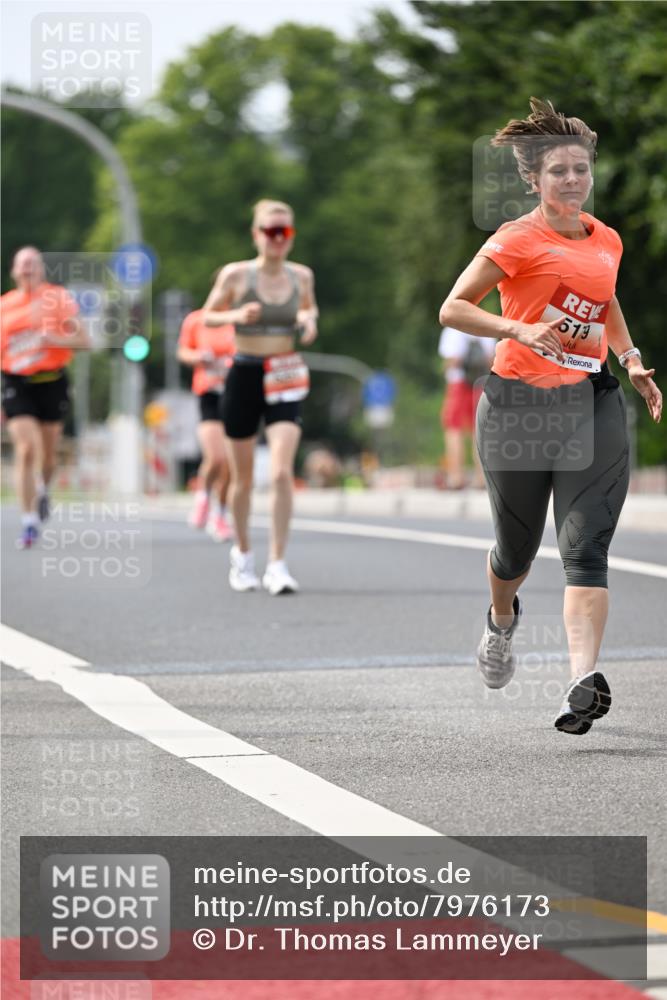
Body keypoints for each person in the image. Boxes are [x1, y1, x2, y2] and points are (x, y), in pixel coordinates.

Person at [438, 98, 662, 735]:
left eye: (581, 169)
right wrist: (518, 327)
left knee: (587, 546)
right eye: (558, 171)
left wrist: (631, 357)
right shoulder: (515, 239)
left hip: (590, 403)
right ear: (534, 180)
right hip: (516, 408)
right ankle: (501, 621)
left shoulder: (607, 239)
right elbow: (453, 309)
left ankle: (579, 683)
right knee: (515, 550)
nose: (572, 180)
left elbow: (605, 297)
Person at [202, 199, 318, 594]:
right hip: (245, 372)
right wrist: (235, 316)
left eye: (284, 231)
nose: (278, 239)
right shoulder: (237, 275)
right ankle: (243, 555)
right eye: (270, 231)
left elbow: (309, 310)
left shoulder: (302, 275)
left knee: (283, 471)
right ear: (256, 235)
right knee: (243, 476)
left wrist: (308, 321)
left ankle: (278, 563)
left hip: (284, 372)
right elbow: (208, 316)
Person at [1, 246, 91, 548]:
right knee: (26, 449)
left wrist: (52, 338)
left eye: (33, 265)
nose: (28, 270)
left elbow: (85, 341)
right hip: (16, 382)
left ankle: (43, 487)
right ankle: (28, 522)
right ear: (14, 271)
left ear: (41, 270)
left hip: (52, 380)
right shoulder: (4, 306)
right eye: (22, 265)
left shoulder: (58, 299)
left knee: (48, 455)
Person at [177, 307, 235, 542]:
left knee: (230, 464)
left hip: (236, 393)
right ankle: (203, 497)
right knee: (216, 456)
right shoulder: (197, 320)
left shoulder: (240, 318)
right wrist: (198, 357)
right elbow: (183, 352)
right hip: (209, 393)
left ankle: (220, 514)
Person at [438, 326, 495, 488]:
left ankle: (456, 477)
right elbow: (491, 360)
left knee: (453, 429)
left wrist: (444, 369)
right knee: (479, 430)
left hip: (458, 383)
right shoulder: (484, 327)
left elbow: (452, 361)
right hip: (480, 383)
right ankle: (481, 478)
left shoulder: (452, 331)